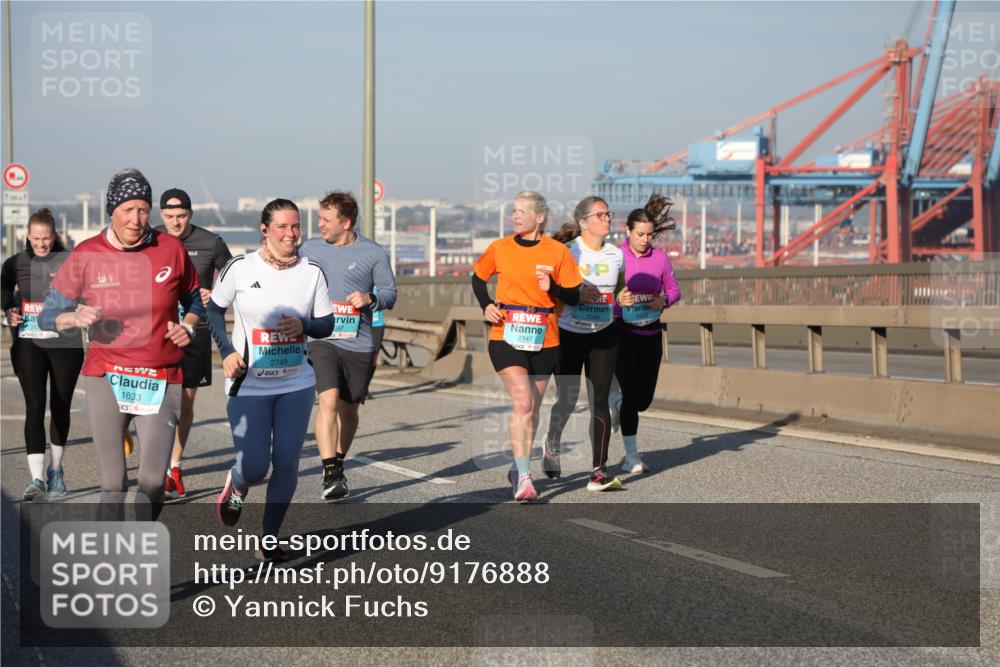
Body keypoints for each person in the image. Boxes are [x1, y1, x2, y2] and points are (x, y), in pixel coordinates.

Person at [38, 169, 202, 520]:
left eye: (143, 209)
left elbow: (195, 302)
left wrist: (188, 326)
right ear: (111, 210)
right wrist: (73, 318)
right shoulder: (86, 253)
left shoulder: (170, 249)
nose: (136, 219)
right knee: (113, 483)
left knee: (153, 481)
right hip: (106, 373)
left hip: (160, 375)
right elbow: (47, 315)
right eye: (128, 210)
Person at [208, 198, 334, 561]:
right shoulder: (240, 268)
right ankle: (237, 482)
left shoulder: (312, 271)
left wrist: (305, 325)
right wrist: (227, 353)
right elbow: (214, 312)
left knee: (287, 462)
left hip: (296, 382)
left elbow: (326, 323)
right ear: (264, 230)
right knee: (254, 466)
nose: (290, 234)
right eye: (281, 227)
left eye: (295, 226)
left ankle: (269, 537)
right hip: (248, 384)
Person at [471, 191, 582, 502]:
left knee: (531, 408)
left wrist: (554, 287)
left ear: (540, 217)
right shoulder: (500, 248)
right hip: (506, 334)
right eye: (514, 211)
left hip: (545, 337)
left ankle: (517, 466)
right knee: (522, 403)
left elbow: (574, 296)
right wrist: (486, 305)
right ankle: (524, 476)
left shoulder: (557, 252)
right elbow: (478, 278)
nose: (515, 216)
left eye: (522, 211)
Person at [300, 191, 396, 500]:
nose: (320, 224)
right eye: (320, 217)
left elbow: (390, 293)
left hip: (358, 341)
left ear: (346, 222)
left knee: (349, 408)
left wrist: (371, 298)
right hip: (321, 338)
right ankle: (330, 471)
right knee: (327, 400)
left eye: (326, 219)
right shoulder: (310, 248)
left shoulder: (373, 253)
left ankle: (338, 460)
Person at [154, 187, 233, 498]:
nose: (176, 222)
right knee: (158, 405)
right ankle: (156, 465)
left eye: (182, 216)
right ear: (161, 215)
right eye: (170, 216)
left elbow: (232, 276)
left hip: (194, 332)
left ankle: (174, 467)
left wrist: (215, 294)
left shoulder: (210, 242)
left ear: (191, 214)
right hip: (157, 334)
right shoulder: (151, 239)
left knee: (184, 405)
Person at [2, 208, 84, 499]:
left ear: (55, 235)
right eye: (36, 239)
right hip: (29, 343)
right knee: (34, 407)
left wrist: (78, 308)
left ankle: (56, 471)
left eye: (46, 238)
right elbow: (4, 294)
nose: (41, 244)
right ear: (27, 236)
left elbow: (87, 294)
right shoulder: (15, 264)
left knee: (60, 406)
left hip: (66, 343)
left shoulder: (70, 261)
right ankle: (36, 479)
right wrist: (9, 310)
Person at [545, 196, 626, 491]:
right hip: (568, 334)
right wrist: (577, 294)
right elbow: (551, 292)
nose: (607, 219)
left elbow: (620, 288)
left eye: (608, 214)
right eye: (600, 214)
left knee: (599, 401)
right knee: (567, 400)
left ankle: (598, 471)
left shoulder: (616, 255)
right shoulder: (566, 253)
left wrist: (622, 296)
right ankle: (552, 443)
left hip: (603, 334)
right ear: (583, 222)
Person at [611, 193, 681, 473]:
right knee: (630, 394)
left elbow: (675, 290)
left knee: (643, 400)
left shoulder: (661, 260)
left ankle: (616, 402)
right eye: (639, 234)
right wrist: (618, 299)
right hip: (621, 333)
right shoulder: (615, 257)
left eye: (649, 235)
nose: (644, 239)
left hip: (650, 334)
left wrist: (664, 300)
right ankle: (632, 457)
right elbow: (601, 292)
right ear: (627, 231)